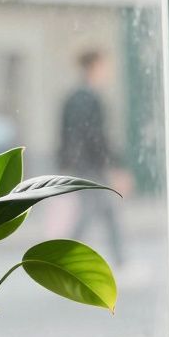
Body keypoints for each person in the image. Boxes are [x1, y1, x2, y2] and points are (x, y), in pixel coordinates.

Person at [59, 49, 128, 267]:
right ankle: (62, 259)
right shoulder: (89, 99)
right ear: (94, 67)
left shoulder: (72, 97)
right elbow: (96, 136)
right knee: (93, 213)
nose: (108, 72)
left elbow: (64, 135)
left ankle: (120, 262)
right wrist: (115, 165)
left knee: (105, 212)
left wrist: (65, 163)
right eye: (105, 66)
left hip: (83, 165)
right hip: (91, 167)